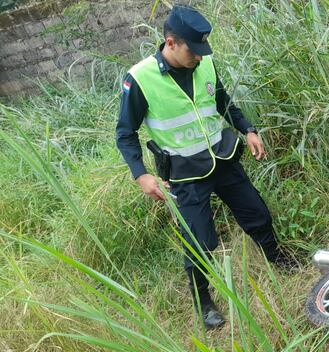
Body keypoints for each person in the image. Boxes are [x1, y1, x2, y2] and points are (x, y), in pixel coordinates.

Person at [116, 5, 292, 330]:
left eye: (201, 51)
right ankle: (204, 302)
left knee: (258, 214)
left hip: (222, 160)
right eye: (191, 51)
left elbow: (222, 101)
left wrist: (247, 128)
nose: (198, 57)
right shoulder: (140, 79)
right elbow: (125, 133)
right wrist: (141, 174)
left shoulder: (205, 62)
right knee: (200, 243)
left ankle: (277, 259)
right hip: (185, 174)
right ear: (170, 43)